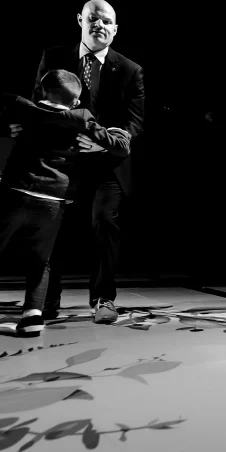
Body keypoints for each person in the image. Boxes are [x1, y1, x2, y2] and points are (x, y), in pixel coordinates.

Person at [32, 0, 145, 324]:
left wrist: (103, 140)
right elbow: (38, 105)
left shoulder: (129, 70)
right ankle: (46, 300)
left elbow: (135, 123)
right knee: (54, 228)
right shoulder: (54, 57)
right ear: (80, 19)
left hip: (106, 164)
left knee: (105, 224)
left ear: (116, 29)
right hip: (61, 162)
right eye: (93, 18)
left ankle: (103, 299)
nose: (100, 25)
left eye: (107, 21)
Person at [0, 70, 130, 337]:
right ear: (75, 101)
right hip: (53, 201)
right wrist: (99, 143)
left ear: (42, 91)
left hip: (15, 193)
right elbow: (121, 147)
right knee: (41, 261)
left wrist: (6, 128)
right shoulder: (81, 117)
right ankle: (32, 317)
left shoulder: (22, 106)